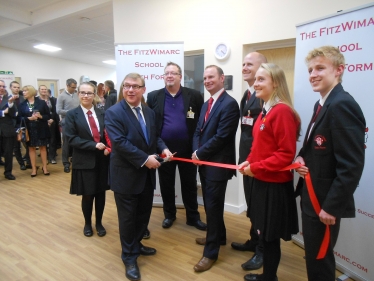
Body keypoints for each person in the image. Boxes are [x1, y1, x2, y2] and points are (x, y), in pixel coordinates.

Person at [295, 46, 365, 281]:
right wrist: (301, 157)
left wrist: (332, 207)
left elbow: (351, 165)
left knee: (320, 261)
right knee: (314, 256)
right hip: (312, 196)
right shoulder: (322, 104)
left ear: (339, 70)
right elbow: (315, 148)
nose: (313, 74)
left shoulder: (342, 104)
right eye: (310, 70)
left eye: (320, 68)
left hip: (324, 202)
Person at [105, 73, 172, 281]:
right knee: (127, 219)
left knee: (143, 215)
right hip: (125, 175)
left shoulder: (149, 112)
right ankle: (129, 257)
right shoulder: (113, 113)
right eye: (126, 86)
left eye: (135, 86)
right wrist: (145, 159)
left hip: (146, 176)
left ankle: (137, 244)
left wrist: (164, 149)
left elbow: (154, 137)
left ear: (143, 89)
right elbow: (120, 143)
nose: (130, 90)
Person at [238, 63, 300, 281]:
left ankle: (269, 277)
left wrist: (255, 167)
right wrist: (248, 161)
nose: (256, 83)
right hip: (261, 181)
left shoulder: (282, 111)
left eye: (261, 79)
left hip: (274, 186)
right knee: (262, 233)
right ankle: (268, 275)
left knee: (270, 237)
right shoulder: (266, 110)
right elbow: (259, 146)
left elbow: (285, 154)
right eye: (256, 80)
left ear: (276, 83)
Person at [147, 62, 206, 230]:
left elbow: (200, 123)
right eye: (167, 73)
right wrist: (160, 147)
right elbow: (151, 126)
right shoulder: (153, 97)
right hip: (164, 150)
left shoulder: (194, 95)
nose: (170, 76)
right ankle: (169, 215)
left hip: (188, 150)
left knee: (189, 185)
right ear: (163, 77)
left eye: (173, 73)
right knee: (166, 184)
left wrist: (197, 148)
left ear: (181, 76)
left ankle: (193, 217)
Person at [192, 65, 240, 272]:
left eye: (211, 77)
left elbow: (222, 136)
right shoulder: (206, 104)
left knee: (212, 206)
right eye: (204, 78)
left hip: (217, 165)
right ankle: (219, 236)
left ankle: (210, 253)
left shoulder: (230, 104)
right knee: (212, 205)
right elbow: (197, 131)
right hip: (204, 163)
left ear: (222, 78)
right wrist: (196, 152)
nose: (207, 81)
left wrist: (200, 153)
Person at [231, 52, 267, 271]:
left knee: (260, 208)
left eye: (249, 64)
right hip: (246, 161)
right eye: (243, 64)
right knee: (252, 205)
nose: (244, 67)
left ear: (262, 67)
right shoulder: (247, 94)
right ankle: (254, 240)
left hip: (259, 164)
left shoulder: (264, 95)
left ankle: (262, 250)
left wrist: (254, 162)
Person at [65, 82, 110, 238]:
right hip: (84, 161)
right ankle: (87, 223)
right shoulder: (72, 115)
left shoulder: (102, 113)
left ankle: (99, 223)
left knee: (101, 193)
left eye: (89, 93)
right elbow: (71, 139)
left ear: (94, 95)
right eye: (83, 93)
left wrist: (109, 148)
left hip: (103, 160)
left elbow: (107, 136)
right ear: (78, 94)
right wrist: (93, 145)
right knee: (88, 194)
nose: (86, 96)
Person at [19, 85, 51, 177]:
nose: (23, 93)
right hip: (29, 129)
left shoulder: (41, 103)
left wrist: (41, 117)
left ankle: (45, 167)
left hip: (41, 127)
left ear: (31, 92)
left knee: (43, 148)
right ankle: (33, 168)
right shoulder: (22, 104)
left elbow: (48, 116)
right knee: (31, 148)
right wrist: (29, 118)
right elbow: (19, 118)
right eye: (23, 91)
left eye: (25, 91)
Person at [56, 78, 79, 173]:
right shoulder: (61, 96)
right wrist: (71, 112)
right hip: (67, 122)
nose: (74, 89)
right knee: (66, 143)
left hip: (77, 122)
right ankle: (66, 163)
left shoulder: (76, 95)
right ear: (67, 86)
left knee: (76, 142)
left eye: (75, 87)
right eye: (72, 87)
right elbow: (58, 110)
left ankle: (74, 160)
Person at [0, 80, 17, 180]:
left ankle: (8, 172)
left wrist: (10, 104)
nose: (2, 88)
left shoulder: (9, 99)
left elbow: (13, 113)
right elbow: (5, 113)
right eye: (0, 86)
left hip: (7, 130)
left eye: (3, 86)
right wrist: (2, 112)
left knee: (8, 152)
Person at [9, 81, 28, 170]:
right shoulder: (6, 99)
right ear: (11, 88)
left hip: (23, 123)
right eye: (14, 87)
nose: (16, 89)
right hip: (12, 124)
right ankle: (21, 163)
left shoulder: (23, 98)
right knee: (16, 146)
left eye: (18, 87)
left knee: (27, 142)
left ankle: (28, 160)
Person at [38, 85, 58, 164]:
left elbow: (54, 111)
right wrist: (45, 120)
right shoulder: (37, 100)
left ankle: (52, 157)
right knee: (44, 140)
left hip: (52, 122)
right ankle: (44, 157)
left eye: (45, 89)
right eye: (42, 89)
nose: (44, 91)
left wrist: (51, 119)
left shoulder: (52, 100)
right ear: (39, 90)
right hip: (42, 122)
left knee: (52, 140)